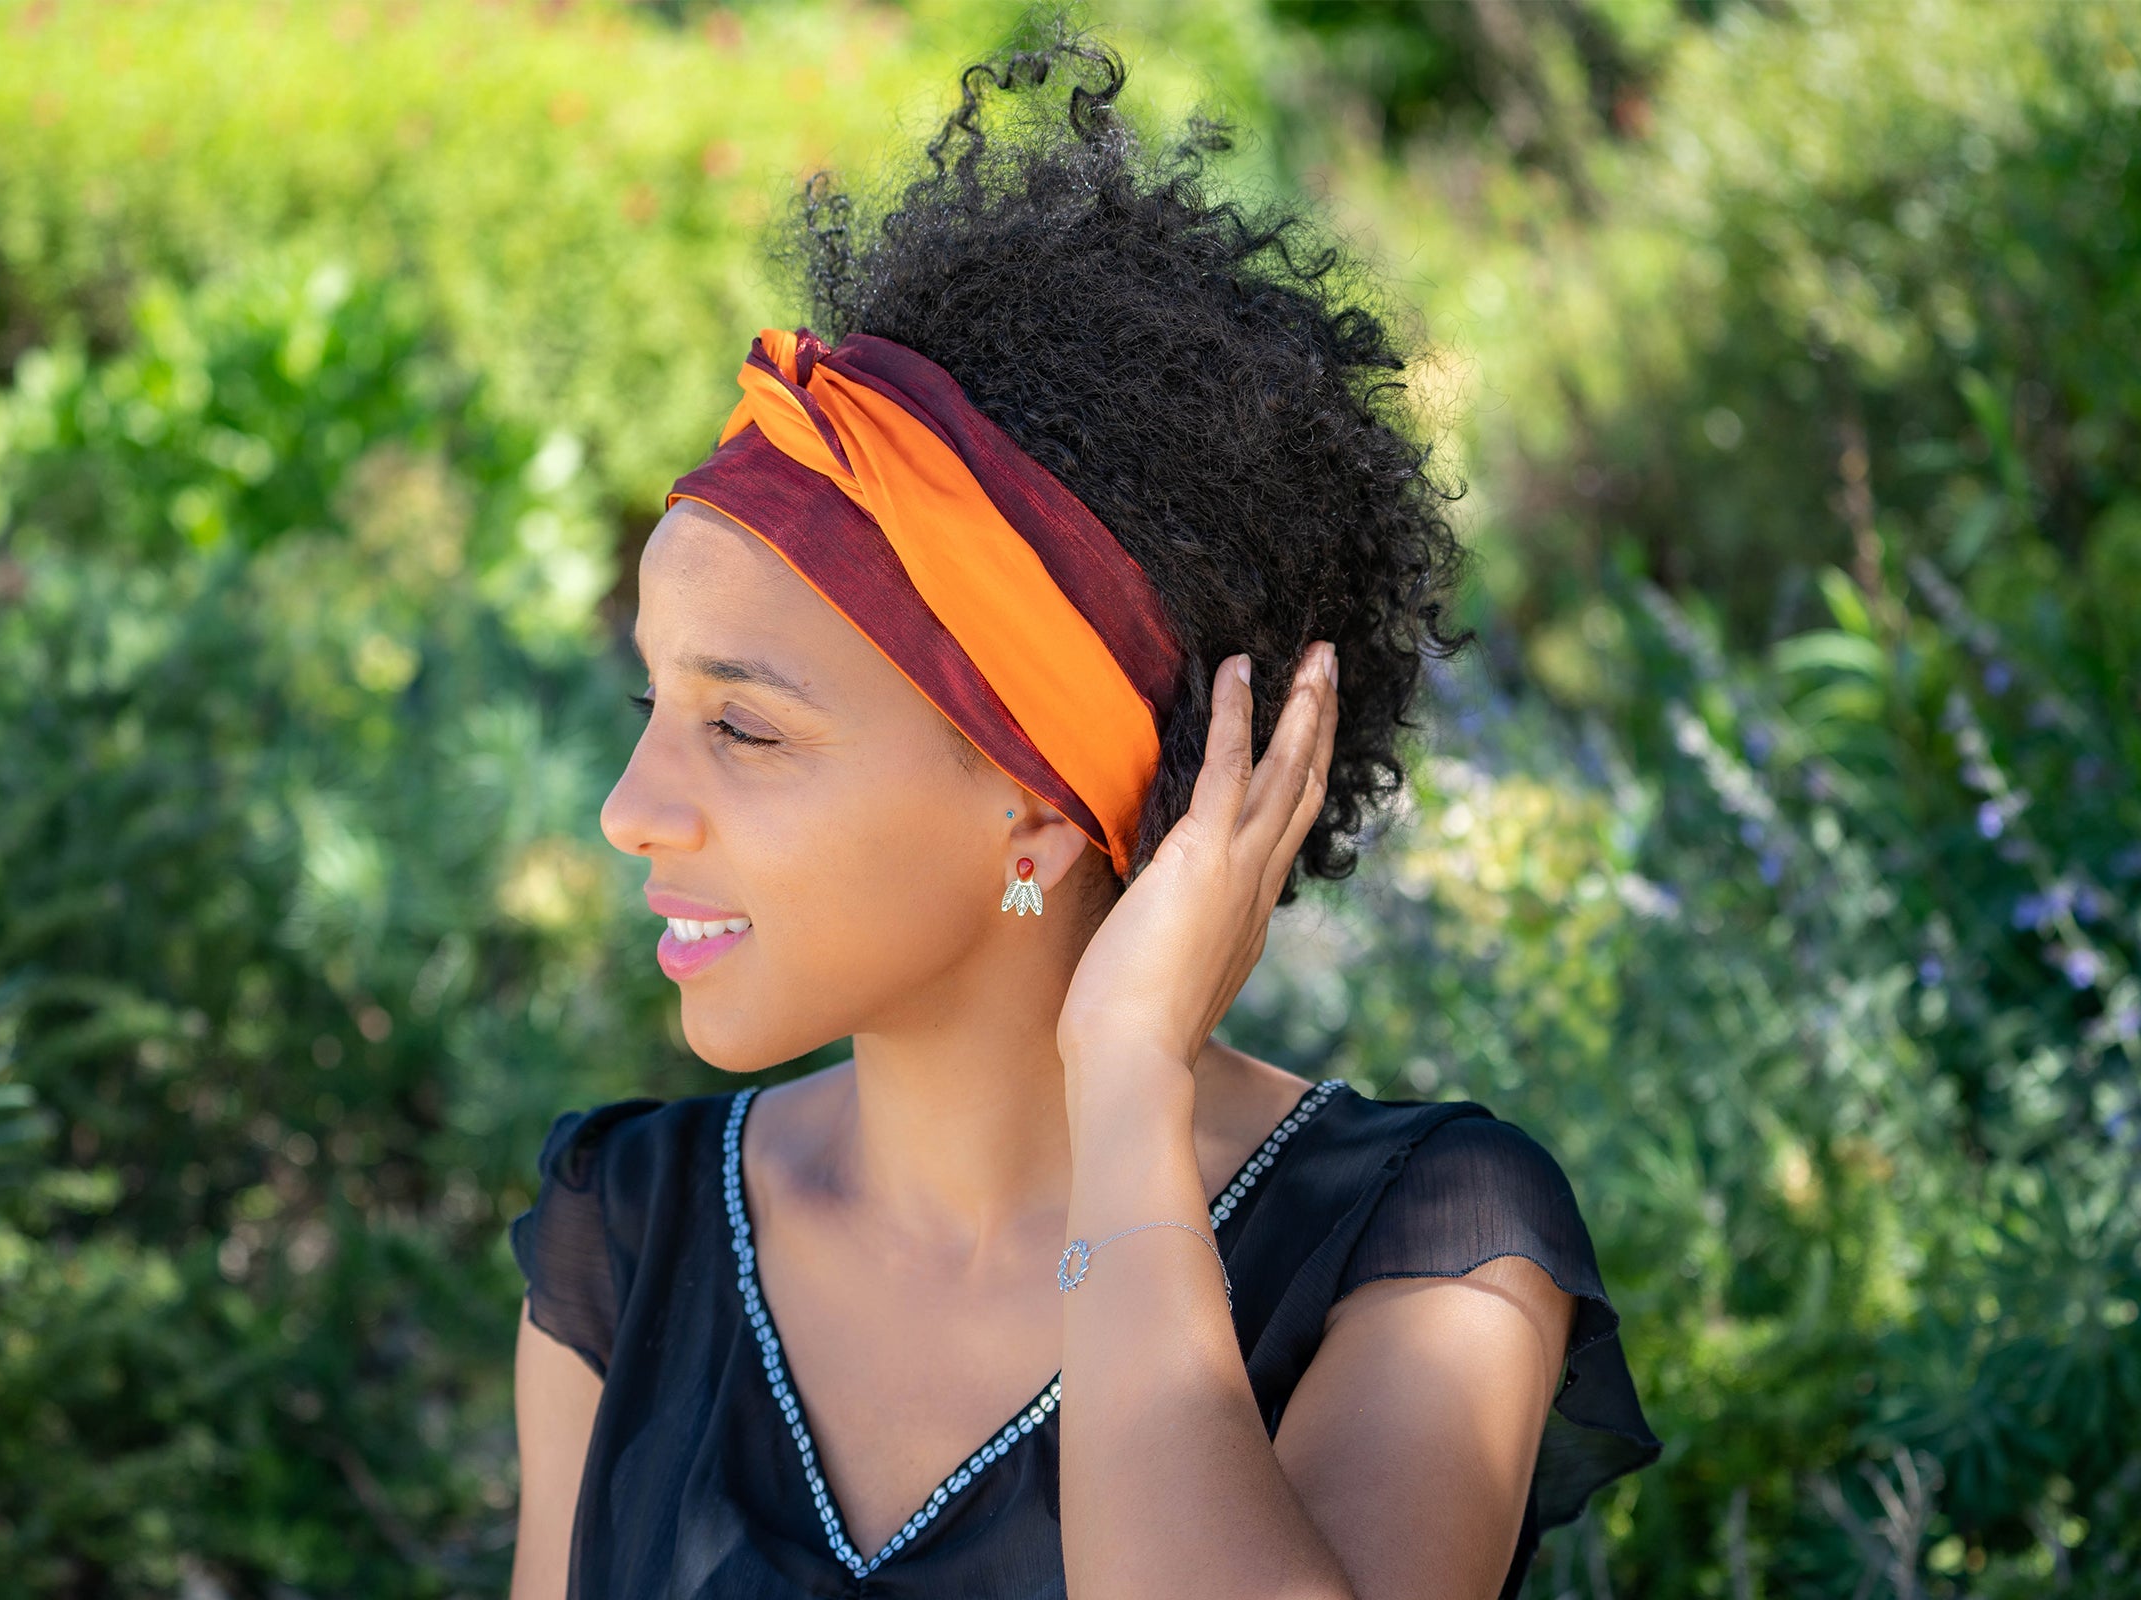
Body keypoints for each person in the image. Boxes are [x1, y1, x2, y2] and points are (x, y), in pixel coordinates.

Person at [507, 30, 1658, 1600]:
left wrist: (1126, 1084)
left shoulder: (1428, 1241)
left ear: (1039, 815)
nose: (631, 811)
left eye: (744, 728)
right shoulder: (623, 1236)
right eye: (655, 708)